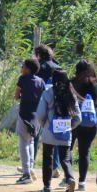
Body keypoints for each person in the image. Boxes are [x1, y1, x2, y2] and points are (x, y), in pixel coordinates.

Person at [34, 68, 81, 192]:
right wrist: (69, 126)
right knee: (65, 159)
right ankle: (70, 178)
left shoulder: (48, 93)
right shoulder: (71, 94)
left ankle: (47, 187)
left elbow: (40, 114)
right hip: (65, 133)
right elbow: (78, 118)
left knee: (47, 158)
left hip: (49, 131)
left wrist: (45, 125)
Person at [70, 59, 97, 191]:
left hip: (74, 121)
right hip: (91, 123)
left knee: (67, 149)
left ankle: (68, 178)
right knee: (84, 152)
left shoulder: (72, 84)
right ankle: (82, 183)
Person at [14, 58, 45, 185]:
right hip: (37, 116)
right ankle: (31, 168)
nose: (22, 68)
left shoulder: (22, 79)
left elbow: (17, 96)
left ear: (28, 69)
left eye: (23, 66)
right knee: (31, 141)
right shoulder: (41, 81)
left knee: (23, 143)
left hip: (24, 114)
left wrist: (23, 96)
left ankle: (26, 174)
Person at [33, 44, 62, 177]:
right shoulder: (58, 67)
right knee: (55, 137)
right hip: (58, 108)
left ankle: (30, 164)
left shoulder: (40, 68)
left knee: (35, 135)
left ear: (38, 55)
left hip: (41, 105)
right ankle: (55, 167)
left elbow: (36, 86)